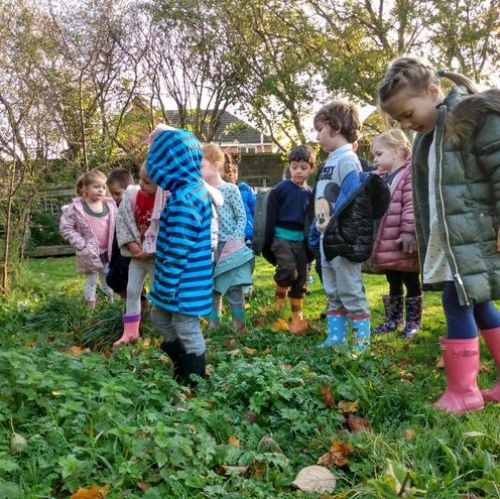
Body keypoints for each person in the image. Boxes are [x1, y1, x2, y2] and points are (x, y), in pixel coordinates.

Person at [378, 56, 500, 413]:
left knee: (456, 299)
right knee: (478, 303)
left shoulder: (470, 118)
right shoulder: (430, 135)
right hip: (453, 235)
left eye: (408, 114)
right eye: (399, 118)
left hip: (473, 232)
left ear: (433, 92)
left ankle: (464, 392)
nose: (406, 123)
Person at [312, 101, 383, 352]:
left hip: (341, 239)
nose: (317, 136)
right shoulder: (330, 161)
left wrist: (338, 230)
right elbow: (321, 200)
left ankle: (361, 344)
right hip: (325, 238)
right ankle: (336, 339)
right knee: (332, 290)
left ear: (336, 127)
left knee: (350, 291)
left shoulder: (347, 160)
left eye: (320, 129)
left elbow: (352, 198)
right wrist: (316, 229)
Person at [146, 126, 213, 387]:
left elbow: (178, 249)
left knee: (187, 327)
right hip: (177, 280)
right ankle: (181, 362)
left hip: (183, 283)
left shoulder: (187, 200)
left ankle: (195, 378)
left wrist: (168, 285)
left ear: (171, 164)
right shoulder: (187, 192)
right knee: (159, 317)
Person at [370, 129, 421, 338]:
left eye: (379, 154)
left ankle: (413, 323)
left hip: (403, 240)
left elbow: (411, 203)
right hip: (388, 240)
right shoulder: (383, 178)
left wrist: (409, 231)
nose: (375, 159)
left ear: (398, 152)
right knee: (393, 280)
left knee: (411, 280)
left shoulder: (408, 174)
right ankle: (393, 320)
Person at [262, 145, 315, 333]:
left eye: (303, 167)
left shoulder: (310, 193)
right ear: (289, 167)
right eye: (294, 167)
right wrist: (267, 241)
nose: (298, 171)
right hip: (281, 237)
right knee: (287, 269)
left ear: (311, 169)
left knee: (301, 278)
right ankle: (278, 302)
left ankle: (296, 316)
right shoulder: (281, 189)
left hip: (301, 240)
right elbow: (270, 214)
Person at [201, 144, 253, 333]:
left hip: (230, 246)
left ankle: (239, 326)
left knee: (234, 288)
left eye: (201, 165)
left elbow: (241, 217)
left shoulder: (231, 189)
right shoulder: (202, 192)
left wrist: (236, 239)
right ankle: (213, 326)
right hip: (209, 248)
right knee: (213, 288)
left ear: (215, 165)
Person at [113, 164, 166, 346]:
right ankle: (131, 332)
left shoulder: (165, 202)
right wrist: (132, 245)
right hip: (137, 257)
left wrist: (152, 251)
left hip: (154, 260)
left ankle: (164, 329)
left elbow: (167, 230)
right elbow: (123, 221)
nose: (141, 184)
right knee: (132, 290)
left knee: (160, 293)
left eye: (147, 182)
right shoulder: (132, 196)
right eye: (140, 179)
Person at [60, 169, 116, 309]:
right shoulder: (77, 208)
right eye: (96, 186)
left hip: (107, 252)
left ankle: (111, 306)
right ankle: (89, 310)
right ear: (85, 188)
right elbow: (66, 227)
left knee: (108, 279)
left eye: (103, 187)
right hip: (89, 252)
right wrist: (81, 244)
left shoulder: (110, 205)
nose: (100, 190)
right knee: (91, 281)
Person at [105, 168, 136, 298]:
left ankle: (140, 302)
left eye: (117, 193)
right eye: (112, 194)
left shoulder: (134, 205)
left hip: (130, 250)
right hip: (119, 248)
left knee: (127, 280)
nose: (114, 197)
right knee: (113, 278)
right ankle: (132, 300)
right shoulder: (119, 204)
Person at [224, 156, 256, 246]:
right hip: (230, 236)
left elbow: (255, 209)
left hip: (248, 233)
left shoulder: (244, 188)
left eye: (235, 171)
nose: (232, 175)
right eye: (229, 171)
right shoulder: (221, 190)